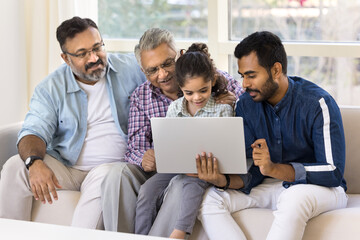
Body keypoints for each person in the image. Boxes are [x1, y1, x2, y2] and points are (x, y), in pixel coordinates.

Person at [197, 31, 348, 240]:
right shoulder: (246, 105)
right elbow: (253, 171)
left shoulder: (317, 103)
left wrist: (275, 169)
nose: (244, 84)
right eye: (242, 76)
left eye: (251, 75)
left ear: (276, 70)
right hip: (270, 186)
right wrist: (222, 180)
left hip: (320, 189)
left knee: (294, 197)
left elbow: (333, 171)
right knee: (209, 199)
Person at [0, 16, 147, 229]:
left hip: (113, 166)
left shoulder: (131, 68)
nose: (94, 57)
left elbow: (171, 77)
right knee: (16, 167)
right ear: (66, 58)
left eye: (97, 47)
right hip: (68, 167)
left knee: (106, 178)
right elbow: (33, 130)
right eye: (82, 54)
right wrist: (35, 163)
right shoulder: (51, 87)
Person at [100, 28, 244, 235]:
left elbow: (249, 117)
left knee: (181, 184)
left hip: (206, 167)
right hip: (164, 167)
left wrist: (234, 101)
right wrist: (145, 157)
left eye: (167, 63)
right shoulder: (142, 97)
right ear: (144, 72)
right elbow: (135, 146)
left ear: (179, 55)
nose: (163, 74)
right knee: (118, 175)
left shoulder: (212, 78)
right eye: (153, 70)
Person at [135, 43, 234, 239]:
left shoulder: (223, 109)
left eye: (203, 91)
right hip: (179, 166)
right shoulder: (174, 109)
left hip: (206, 168)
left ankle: (180, 231)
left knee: (192, 184)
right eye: (189, 93)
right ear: (181, 88)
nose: (196, 97)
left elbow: (227, 148)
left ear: (212, 82)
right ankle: (140, 236)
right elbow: (170, 146)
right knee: (147, 190)